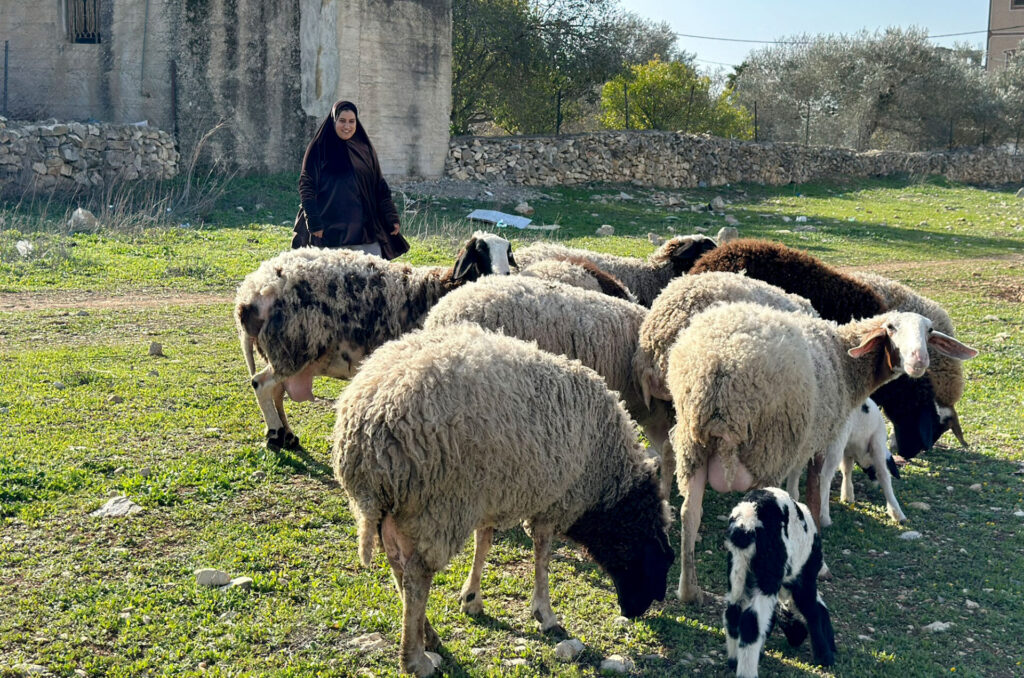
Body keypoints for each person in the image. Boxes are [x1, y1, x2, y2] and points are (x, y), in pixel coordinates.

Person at [293, 100, 409, 259]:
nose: (347, 126)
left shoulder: (365, 148)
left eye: (351, 121)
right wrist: (313, 221)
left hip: (364, 231)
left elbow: (379, 185)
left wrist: (391, 216)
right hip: (328, 232)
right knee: (331, 280)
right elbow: (307, 186)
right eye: (342, 121)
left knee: (371, 278)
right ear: (334, 121)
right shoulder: (319, 148)